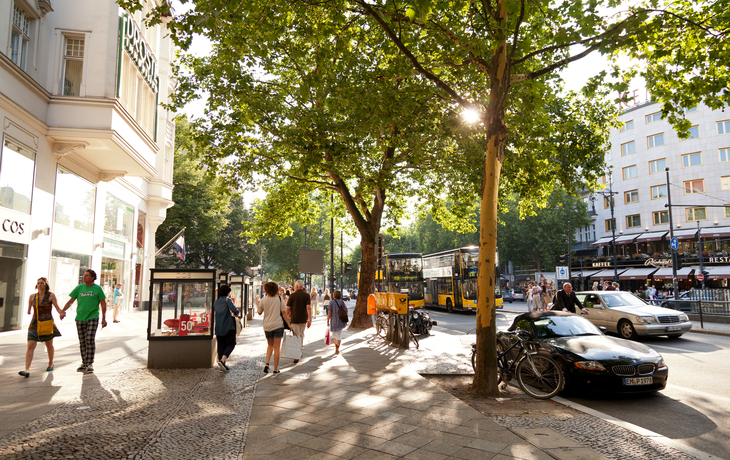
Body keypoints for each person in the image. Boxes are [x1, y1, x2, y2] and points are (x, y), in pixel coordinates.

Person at [62, 269, 107, 374]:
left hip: (93, 317)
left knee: (89, 339)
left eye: (87, 275)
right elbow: (70, 301)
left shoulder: (98, 289)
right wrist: (63, 311)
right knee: (82, 341)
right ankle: (84, 362)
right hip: (80, 318)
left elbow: (103, 303)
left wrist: (104, 318)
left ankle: (90, 363)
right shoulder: (79, 288)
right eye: (84, 275)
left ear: (92, 278)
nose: (84, 277)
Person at [19, 278, 64, 378]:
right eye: (38, 283)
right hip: (34, 324)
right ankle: (27, 369)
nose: (39, 285)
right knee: (30, 346)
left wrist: (61, 312)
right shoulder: (32, 296)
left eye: (42, 283)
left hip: (47, 323)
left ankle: (51, 363)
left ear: (46, 285)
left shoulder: (51, 296)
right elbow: (29, 310)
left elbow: (57, 307)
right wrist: (29, 310)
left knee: (49, 345)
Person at [258, 281, 290, 374]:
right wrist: (288, 324)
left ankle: (267, 363)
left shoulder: (263, 300)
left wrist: (257, 304)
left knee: (270, 345)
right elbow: (284, 313)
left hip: (267, 326)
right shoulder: (279, 299)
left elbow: (259, 312)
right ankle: (275, 369)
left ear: (266, 290)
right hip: (278, 325)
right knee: (277, 348)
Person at [212, 285, 239, 372]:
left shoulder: (215, 302)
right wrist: (237, 313)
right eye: (229, 291)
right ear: (227, 292)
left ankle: (222, 366)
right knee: (231, 344)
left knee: (221, 346)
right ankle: (222, 361)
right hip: (228, 327)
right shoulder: (228, 300)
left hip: (219, 327)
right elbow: (235, 311)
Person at [286, 280, 311, 364]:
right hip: (303, 319)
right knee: (301, 334)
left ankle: (297, 354)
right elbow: (308, 308)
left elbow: (288, 308)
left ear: (296, 286)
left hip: (295, 319)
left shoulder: (292, 296)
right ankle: (299, 352)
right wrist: (309, 319)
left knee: (296, 335)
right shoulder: (307, 295)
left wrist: (285, 316)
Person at [327, 290, 347, 355]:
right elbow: (346, 311)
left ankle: (336, 344)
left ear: (334, 295)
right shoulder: (342, 302)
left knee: (333, 335)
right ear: (340, 296)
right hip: (340, 321)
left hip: (333, 321)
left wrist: (327, 320)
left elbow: (329, 312)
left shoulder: (331, 302)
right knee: (339, 334)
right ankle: (337, 348)